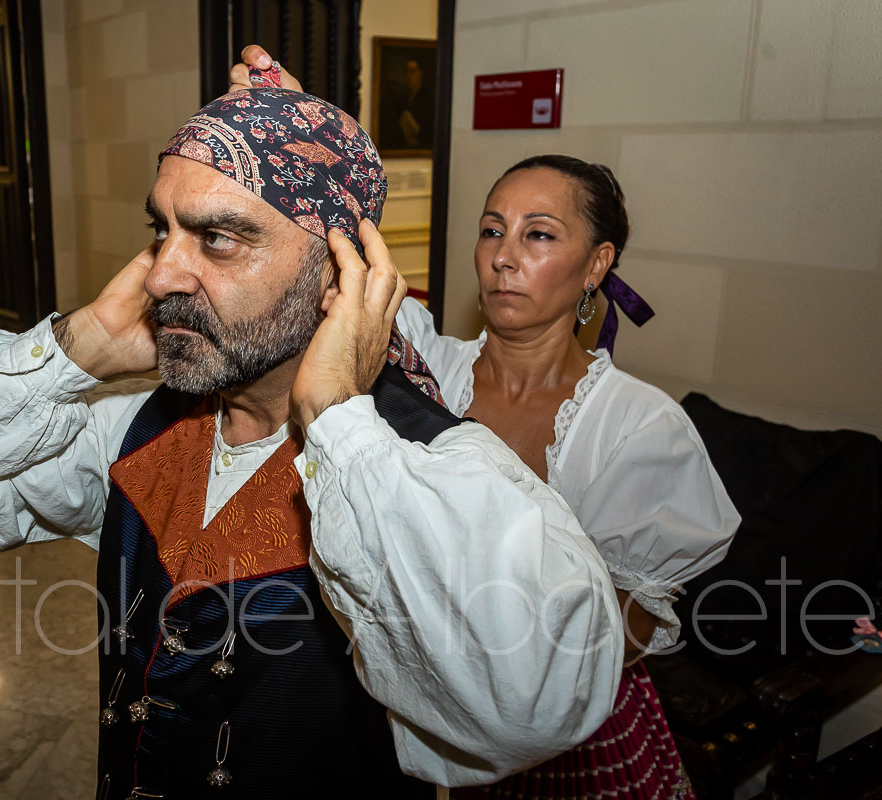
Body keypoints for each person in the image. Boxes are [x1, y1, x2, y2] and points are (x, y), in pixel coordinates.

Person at [0, 85, 625, 797]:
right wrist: (75, 349)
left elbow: (536, 705)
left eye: (218, 237)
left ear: (337, 273)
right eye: (162, 230)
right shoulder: (135, 425)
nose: (161, 275)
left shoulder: (427, 464)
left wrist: (336, 419)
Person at [232, 48, 740, 798]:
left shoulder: (639, 429)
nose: (504, 258)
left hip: (573, 728)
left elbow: (627, 626)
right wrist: (299, 144)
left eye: (539, 235)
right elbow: (342, 285)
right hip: (433, 703)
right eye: (492, 230)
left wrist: (513, 683)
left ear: (596, 264)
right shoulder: (428, 366)